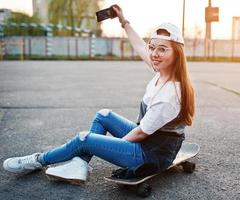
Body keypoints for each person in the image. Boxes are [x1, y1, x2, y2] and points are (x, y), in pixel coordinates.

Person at [2, 5, 195, 184]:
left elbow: (141, 132)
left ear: (177, 54)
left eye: (162, 49)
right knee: (103, 116)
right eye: (153, 47)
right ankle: (80, 165)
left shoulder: (170, 93)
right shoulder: (161, 71)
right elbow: (139, 46)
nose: (154, 53)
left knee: (84, 140)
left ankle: (38, 160)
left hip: (150, 155)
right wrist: (123, 21)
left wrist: (104, 145)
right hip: (148, 142)